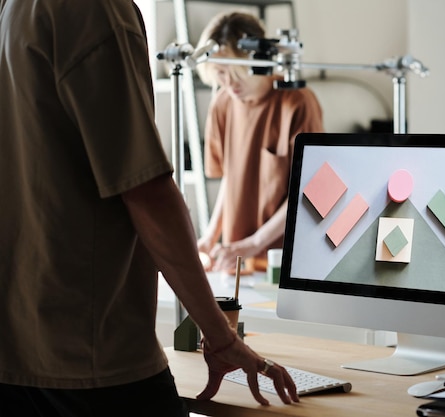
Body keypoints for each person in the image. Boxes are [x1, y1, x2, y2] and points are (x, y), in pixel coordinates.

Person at [0, 1, 298, 415]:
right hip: (91, 348)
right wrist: (221, 336)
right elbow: (146, 190)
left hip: (20, 342)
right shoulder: (95, 11)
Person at [195, 12, 324, 272]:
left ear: (259, 61)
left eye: (237, 72)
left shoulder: (297, 102)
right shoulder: (222, 104)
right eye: (220, 73)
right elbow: (231, 179)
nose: (229, 83)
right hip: (236, 262)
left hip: (284, 263)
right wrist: (210, 237)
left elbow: (310, 191)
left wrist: (255, 243)